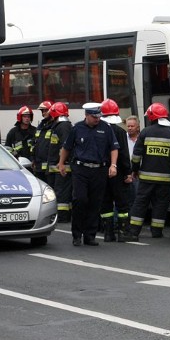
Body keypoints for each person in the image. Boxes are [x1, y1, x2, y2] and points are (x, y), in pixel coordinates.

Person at [58, 102, 119, 246]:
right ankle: (77, 235)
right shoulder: (77, 128)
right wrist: (61, 163)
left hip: (99, 170)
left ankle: (90, 236)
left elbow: (114, 148)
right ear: (86, 115)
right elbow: (66, 147)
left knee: (95, 202)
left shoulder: (106, 128)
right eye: (94, 117)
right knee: (80, 200)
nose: (97, 119)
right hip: (81, 169)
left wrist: (113, 165)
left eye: (99, 116)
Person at [122, 103, 170, 241]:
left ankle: (134, 231)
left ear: (152, 117)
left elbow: (136, 155)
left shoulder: (146, 132)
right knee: (161, 204)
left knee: (140, 203)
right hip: (166, 179)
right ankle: (157, 231)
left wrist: (134, 170)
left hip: (146, 177)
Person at [98, 98, 133, 242]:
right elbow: (124, 154)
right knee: (122, 203)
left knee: (105, 202)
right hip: (117, 172)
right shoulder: (119, 131)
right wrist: (128, 172)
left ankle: (108, 233)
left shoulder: (97, 130)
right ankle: (123, 232)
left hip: (101, 172)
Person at [47, 101, 73, 222]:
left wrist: (61, 162)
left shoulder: (63, 126)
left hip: (63, 168)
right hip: (59, 167)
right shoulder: (60, 126)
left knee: (62, 193)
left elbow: (65, 146)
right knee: (60, 192)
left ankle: (63, 217)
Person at [31, 100, 53, 181]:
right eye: (42, 111)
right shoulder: (41, 126)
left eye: (46, 110)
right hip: (38, 166)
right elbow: (35, 143)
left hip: (49, 167)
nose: (43, 113)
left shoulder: (55, 125)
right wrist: (33, 158)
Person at [125, 115, 141, 208]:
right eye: (128, 126)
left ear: (138, 127)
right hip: (126, 170)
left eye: (132, 126)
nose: (130, 128)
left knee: (137, 197)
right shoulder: (123, 138)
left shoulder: (142, 139)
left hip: (138, 171)